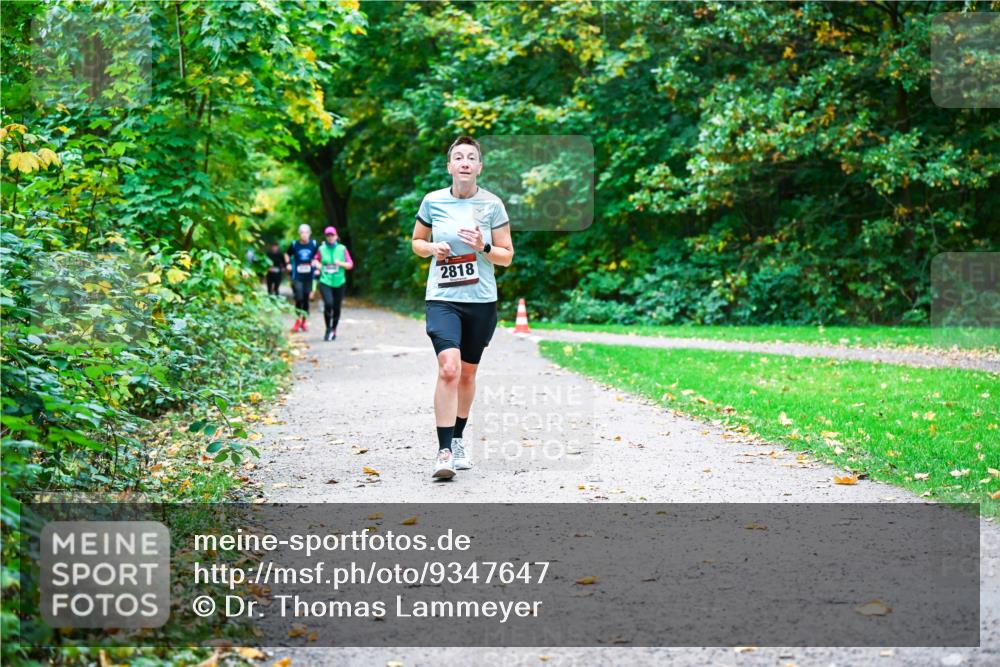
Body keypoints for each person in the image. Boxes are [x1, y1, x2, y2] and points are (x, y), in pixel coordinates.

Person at [411, 136, 514, 479]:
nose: (465, 162)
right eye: (459, 157)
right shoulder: (433, 201)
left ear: (479, 167)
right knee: (449, 369)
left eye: (471, 157)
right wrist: (432, 248)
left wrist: (484, 245)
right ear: (450, 166)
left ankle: (457, 439)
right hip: (442, 297)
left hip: (481, 301)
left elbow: (506, 256)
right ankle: (443, 452)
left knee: (468, 373)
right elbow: (417, 242)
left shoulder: (493, 205)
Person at [317, 226, 354, 341]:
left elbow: (350, 265)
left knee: (337, 307)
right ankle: (328, 328)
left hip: (339, 282)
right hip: (325, 281)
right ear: (326, 237)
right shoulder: (321, 249)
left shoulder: (342, 249)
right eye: (328, 235)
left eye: (332, 235)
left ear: (336, 236)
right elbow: (315, 260)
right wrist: (319, 266)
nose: (330, 237)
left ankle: (334, 329)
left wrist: (340, 263)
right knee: (328, 304)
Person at [285, 224, 319, 332]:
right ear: (299, 234)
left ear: (310, 233)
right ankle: (297, 320)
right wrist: (288, 264)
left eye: (306, 232)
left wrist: (316, 262)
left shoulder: (314, 244)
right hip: (297, 276)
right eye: (302, 232)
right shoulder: (294, 244)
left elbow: (319, 255)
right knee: (298, 298)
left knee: (306, 299)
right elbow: (286, 254)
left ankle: (304, 321)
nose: (304, 235)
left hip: (309, 276)